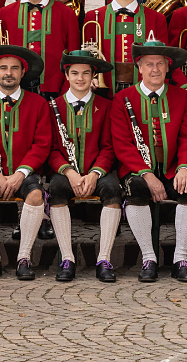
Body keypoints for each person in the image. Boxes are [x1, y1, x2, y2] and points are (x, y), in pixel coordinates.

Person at [110, 34, 187, 282]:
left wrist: (185, 168)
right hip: (138, 169)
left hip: (172, 167)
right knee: (137, 190)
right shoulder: (122, 98)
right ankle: (148, 258)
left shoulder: (181, 97)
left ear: (168, 67)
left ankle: (180, 259)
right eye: (149, 64)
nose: (155, 69)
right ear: (139, 68)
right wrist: (148, 175)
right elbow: (122, 145)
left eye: (160, 63)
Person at [0, 44, 52, 280]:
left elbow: (41, 144)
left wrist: (20, 174)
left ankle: (23, 257)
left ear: (23, 72)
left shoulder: (38, 103)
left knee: (36, 195)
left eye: (14, 68)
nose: (8, 73)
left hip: (23, 172)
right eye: (3, 68)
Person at [45, 46, 123, 282]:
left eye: (86, 73)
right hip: (66, 172)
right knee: (56, 189)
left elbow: (109, 147)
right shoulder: (53, 106)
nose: (80, 78)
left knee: (113, 190)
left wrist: (95, 174)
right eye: (75, 73)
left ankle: (104, 259)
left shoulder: (106, 106)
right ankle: (67, 259)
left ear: (93, 76)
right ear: (66, 75)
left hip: (97, 172)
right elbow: (51, 148)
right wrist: (69, 172)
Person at [0, 0, 81, 96]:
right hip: (15, 88)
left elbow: (73, 56)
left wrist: (66, 90)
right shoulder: (5, 13)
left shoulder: (67, 13)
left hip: (55, 88)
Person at [83, 0, 169, 94]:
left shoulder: (157, 18)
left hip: (143, 90)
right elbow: (87, 55)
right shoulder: (93, 17)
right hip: (104, 89)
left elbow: (164, 59)